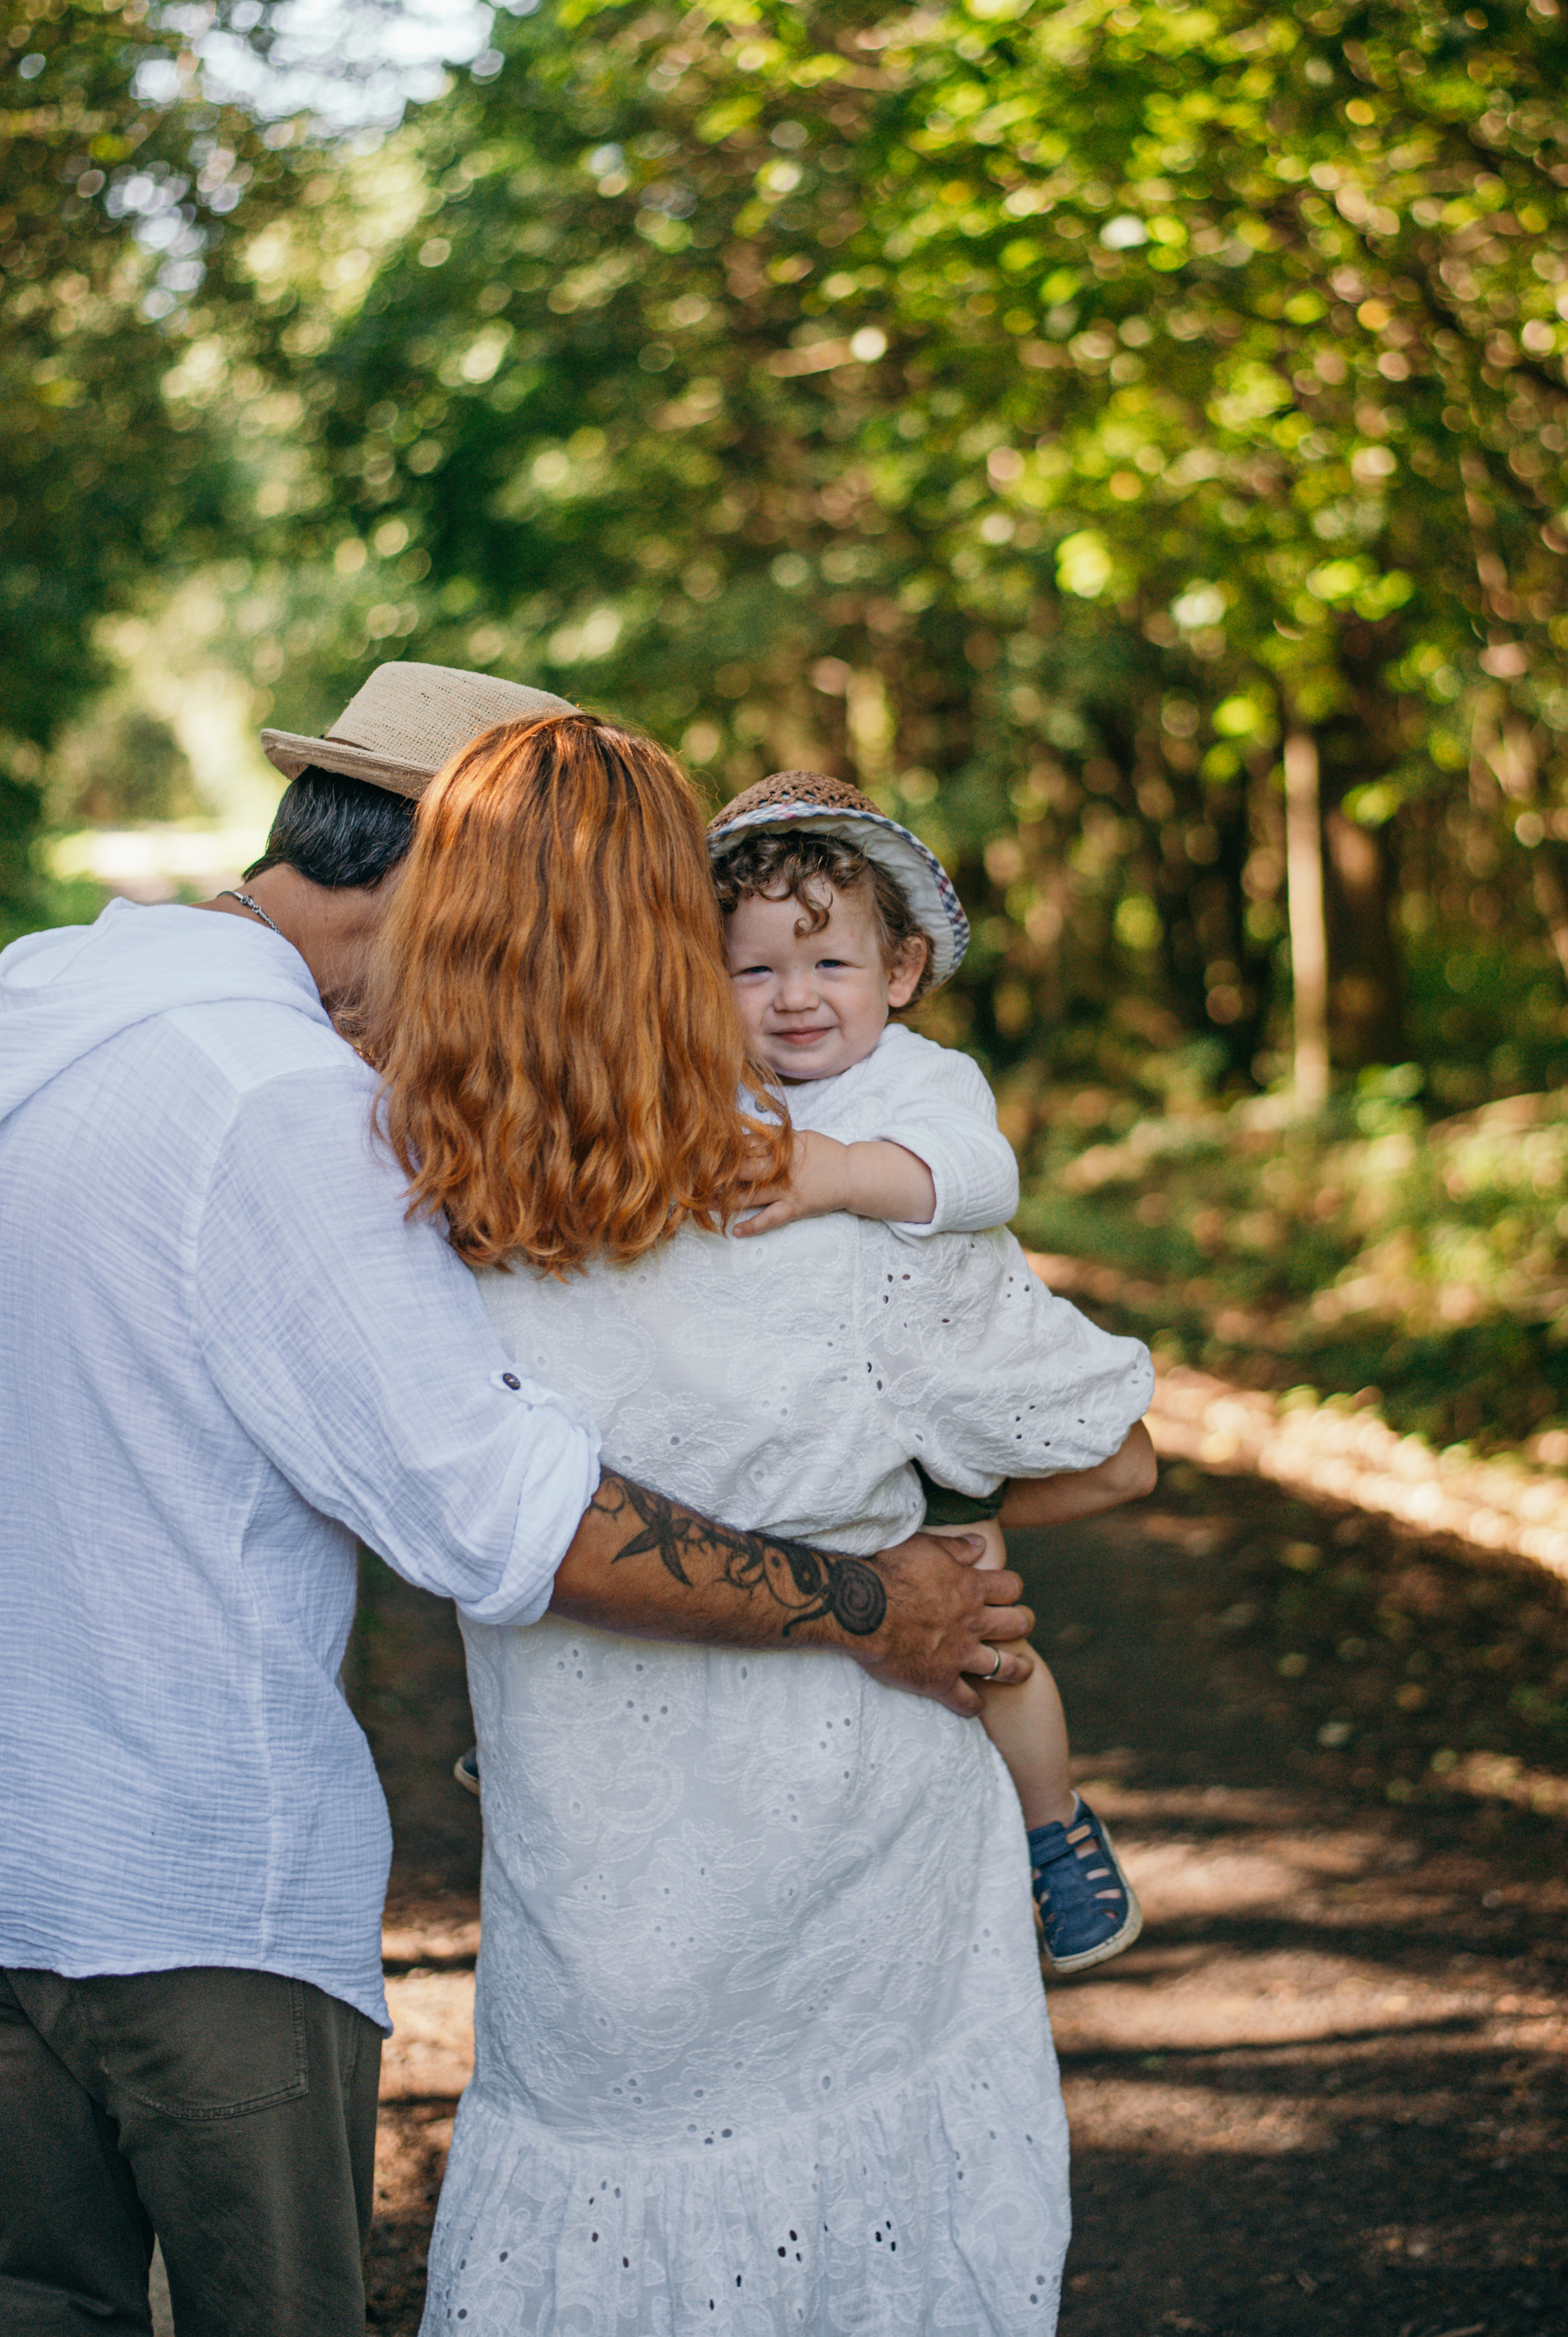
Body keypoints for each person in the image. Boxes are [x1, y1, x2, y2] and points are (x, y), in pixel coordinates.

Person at [0, 662, 1030, 2337]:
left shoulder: (41, 1000)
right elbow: (513, 1517)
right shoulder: (282, 1108)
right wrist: (872, 1599)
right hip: (193, 1913)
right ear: (451, 875)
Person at [394, 711, 1155, 2337]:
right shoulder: (814, 1204)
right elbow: (1114, 1455)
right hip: (845, 1836)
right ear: (682, 953)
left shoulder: (428, 1202)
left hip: (582, 1835)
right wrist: (946, 1532)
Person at [709, 768, 1149, 1972]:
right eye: (756, 970)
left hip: (942, 1395)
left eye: (829, 965)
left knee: (981, 1620)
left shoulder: (921, 1078)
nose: (795, 999)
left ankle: (1056, 1834)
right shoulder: (718, 1092)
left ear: (898, 973)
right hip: (802, 1411)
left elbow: (981, 1179)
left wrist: (841, 1172)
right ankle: (595, 1706)